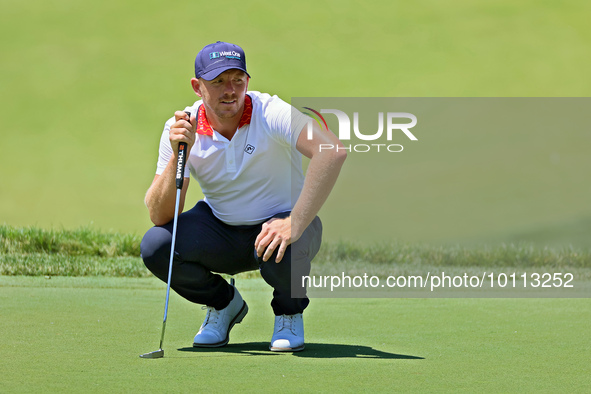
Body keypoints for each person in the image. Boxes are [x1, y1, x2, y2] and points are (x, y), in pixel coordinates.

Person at [140, 41, 346, 352]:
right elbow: (160, 215)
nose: (230, 90)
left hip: (281, 226)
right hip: (220, 229)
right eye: (218, 81)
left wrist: (295, 222)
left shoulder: (270, 111)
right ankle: (224, 305)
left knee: (288, 247)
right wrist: (178, 154)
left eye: (238, 79)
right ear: (197, 87)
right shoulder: (181, 127)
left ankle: (289, 313)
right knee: (156, 246)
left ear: (247, 81)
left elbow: (332, 151)